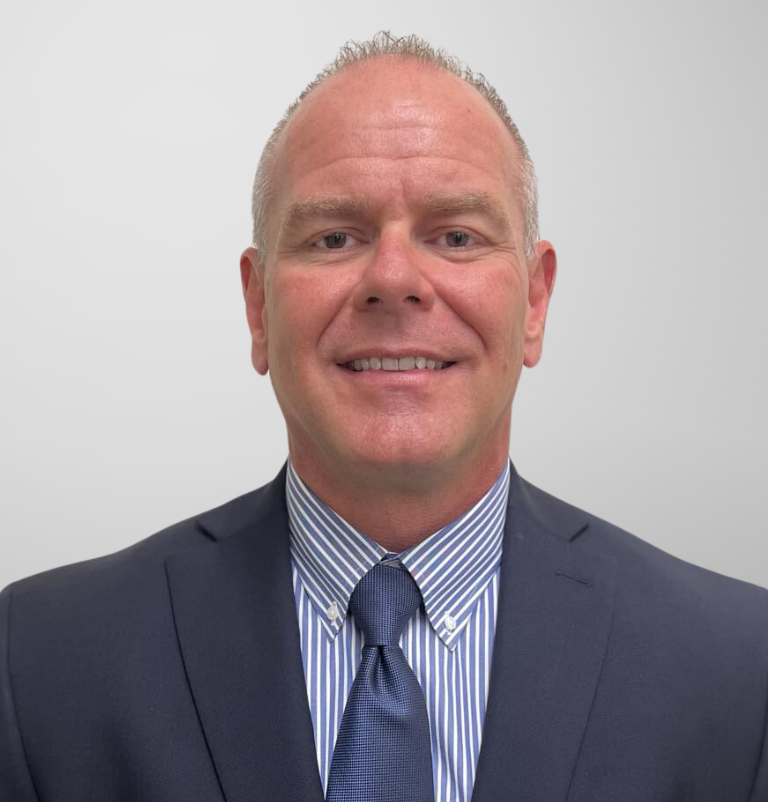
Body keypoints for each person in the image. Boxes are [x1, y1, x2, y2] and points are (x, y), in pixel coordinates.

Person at [1, 31, 766, 802]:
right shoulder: (36, 661)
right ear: (258, 307)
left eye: (456, 236)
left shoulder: (740, 670)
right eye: (335, 237)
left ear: (535, 302)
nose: (395, 278)